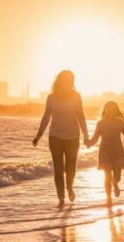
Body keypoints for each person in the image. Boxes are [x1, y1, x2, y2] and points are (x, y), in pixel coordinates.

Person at [33, 70, 89, 208]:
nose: (69, 82)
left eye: (71, 79)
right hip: (55, 137)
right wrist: (38, 136)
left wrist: (86, 135)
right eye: (67, 79)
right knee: (58, 169)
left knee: (71, 168)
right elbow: (46, 118)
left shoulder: (76, 96)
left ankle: (69, 187)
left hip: (73, 137)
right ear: (60, 80)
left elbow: (81, 116)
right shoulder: (51, 97)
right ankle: (61, 198)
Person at [85, 101, 124, 208]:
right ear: (105, 110)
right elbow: (95, 138)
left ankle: (115, 183)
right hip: (105, 151)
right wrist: (89, 143)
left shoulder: (120, 123)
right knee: (107, 176)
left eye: (113, 109)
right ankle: (108, 198)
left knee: (117, 176)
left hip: (117, 151)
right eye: (109, 109)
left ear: (116, 110)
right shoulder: (100, 124)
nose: (111, 111)